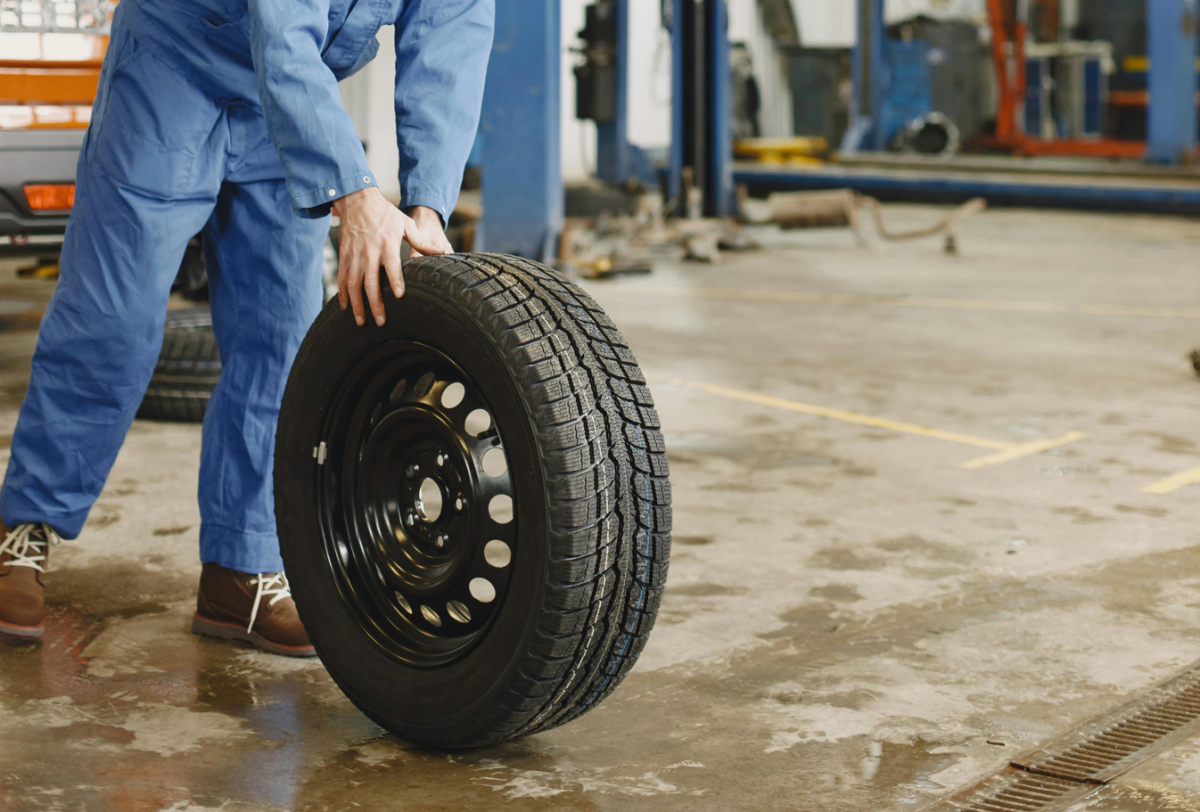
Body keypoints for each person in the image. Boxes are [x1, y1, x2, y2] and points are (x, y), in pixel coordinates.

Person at [0, 0, 495, 654]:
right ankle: (23, 529)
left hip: (288, 101)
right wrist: (353, 194)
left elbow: (449, 44)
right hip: (176, 69)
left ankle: (243, 568)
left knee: (281, 340)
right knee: (112, 323)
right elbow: (282, 27)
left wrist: (428, 203)